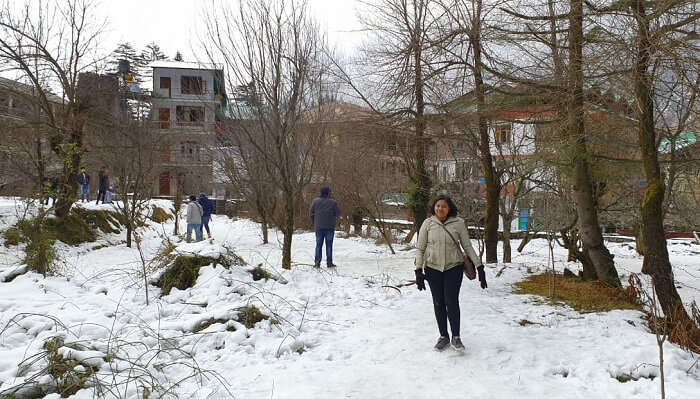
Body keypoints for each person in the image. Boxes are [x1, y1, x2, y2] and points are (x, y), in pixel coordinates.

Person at [414, 194, 487, 352]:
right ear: (434, 207)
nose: (440, 208)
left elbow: (467, 246)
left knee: (451, 301)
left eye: (444, 206)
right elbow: (420, 248)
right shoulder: (427, 224)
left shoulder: (458, 223)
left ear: (449, 208)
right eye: (438, 206)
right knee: (438, 302)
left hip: (453, 268)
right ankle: (443, 336)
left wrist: (479, 267)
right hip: (433, 269)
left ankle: (456, 336)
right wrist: (418, 270)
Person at [309, 186, 340, 268]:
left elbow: (311, 213)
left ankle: (317, 263)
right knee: (329, 245)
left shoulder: (315, 201)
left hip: (318, 227)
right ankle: (329, 263)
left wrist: (314, 222)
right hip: (330, 227)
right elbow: (337, 214)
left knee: (318, 245)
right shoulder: (333, 202)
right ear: (328, 193)